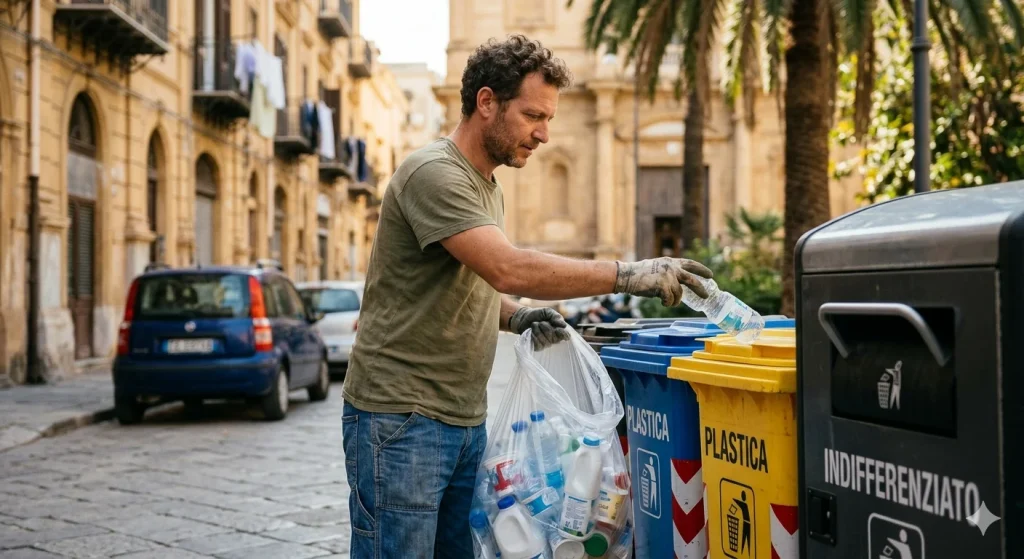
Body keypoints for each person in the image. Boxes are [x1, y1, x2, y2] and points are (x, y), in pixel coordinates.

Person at [341, 34, 713, 559]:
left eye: (551, 120)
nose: (543, 134)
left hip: (461, 419)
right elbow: (506, 266)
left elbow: (462, 286)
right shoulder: (435, 172)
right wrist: (629, 275)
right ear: (486, 101)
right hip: (403, 420)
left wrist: (517, 317)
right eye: (533, 115)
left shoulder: (485, 183)